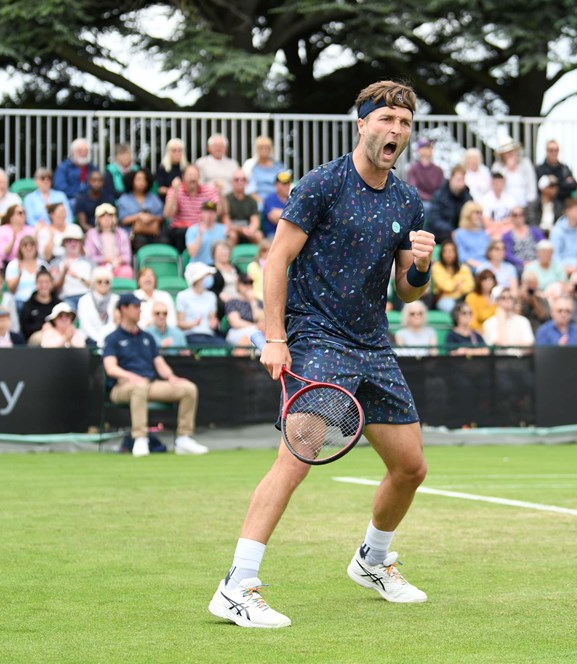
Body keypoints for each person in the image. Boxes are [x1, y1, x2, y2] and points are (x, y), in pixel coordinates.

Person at [209, 81, 434, 630]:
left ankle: (373, 561)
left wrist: (422, 267)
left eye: (403, 124)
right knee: (298, 455)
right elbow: (275, 261)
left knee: (410, 468)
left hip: (373, 342)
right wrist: (274, 335)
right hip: (316, 338)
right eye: (385, 120)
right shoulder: (322, 184)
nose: (395, 131)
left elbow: (407, 291)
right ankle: (237, 585)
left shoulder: (407, 200)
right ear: (361, 124)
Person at [104, 292, 206, 457]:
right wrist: (130, 377)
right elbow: (111, 368)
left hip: (149, 384)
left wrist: (171, 377)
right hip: (121, 387)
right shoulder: (112, 339)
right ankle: (140, 438)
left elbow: (159, 364)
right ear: (123, 309)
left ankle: (183, 439)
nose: (139, 310)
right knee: (139, 387)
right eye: (135, 307)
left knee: (188, 388)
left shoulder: (147, 338)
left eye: (140, 307)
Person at [164, 164, 220, 252]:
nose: (193, 178)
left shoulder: (208, 191)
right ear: (183, 177)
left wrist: (220, 193)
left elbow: (219, 211)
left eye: (195, 175)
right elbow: (168, 214)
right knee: (183, 233)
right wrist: (175, 192)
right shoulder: (174, 190)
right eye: (190, 175)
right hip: (180, 230)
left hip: (202, 228)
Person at [175, 262, 226, 347]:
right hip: (190, 335)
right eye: (205, 276)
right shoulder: (182, 296)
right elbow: (180, 323)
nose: (209, 278)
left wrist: (214, 323)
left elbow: (212, 318)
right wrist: (194, 324)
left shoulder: (211, 296)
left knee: (224, 345)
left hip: (209, 335)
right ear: (197, 279)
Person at [117, 169, 165, 252]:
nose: (142, 182)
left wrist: (151, 218)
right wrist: (138, 216)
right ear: (132, 181)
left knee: (163, 241)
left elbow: (161, 217)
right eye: (138, 179)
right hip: (133, 234)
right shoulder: (124, 199)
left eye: (144, 179)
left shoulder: (153, 198)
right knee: (140, 241)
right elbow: (122, 219)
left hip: (153, 232)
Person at [85, 203, 132, 278]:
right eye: (103, 216)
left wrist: (119, 260)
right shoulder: (91, 234)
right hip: (100, 266)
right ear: (98, 219)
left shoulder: (122, 233)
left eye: (109, 216)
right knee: (100, 274)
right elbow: (90, 256)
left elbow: (127, 256)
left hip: (119, 265)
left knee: (127, 272)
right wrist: (105, 259)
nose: (106, 219)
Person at [51, 224, 92, 309]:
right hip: (66, 298)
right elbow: (54, 287)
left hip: (87, 297)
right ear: (64, 243)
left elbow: (95, 285)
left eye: (76, 241)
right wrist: (63, 273)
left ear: (81, 243)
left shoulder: (90, 262)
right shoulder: (56, 263)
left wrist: (78, 277)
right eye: (69, 241)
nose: (73, 244)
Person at [428, 166, 473, 242]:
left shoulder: (467, 196)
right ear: (451, 178)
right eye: (458, 180)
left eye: (463, 179)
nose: (461, 183)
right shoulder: (439, 196)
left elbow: (471, 216)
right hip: (442, 235)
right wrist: (451, 231)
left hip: (462, 235)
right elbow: (435, 220)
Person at [430, 238, 474, 313]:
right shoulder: (436, 267)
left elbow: (470, 285)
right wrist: (456, 285)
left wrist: (456, 288)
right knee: (454, 308)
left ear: (456, 253)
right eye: (445, 251)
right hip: (443, 299)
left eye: (451, 251)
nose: (448, 254)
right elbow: (444, 285)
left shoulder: (463, 268)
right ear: (441, 253)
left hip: (461, 298)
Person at [490, 136, 536, 207]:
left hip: (525, 204)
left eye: (512, 151)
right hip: (504, 205)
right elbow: (497, 186)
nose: (510, 154)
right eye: (507, 152)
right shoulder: (497, 167)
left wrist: (530, 203)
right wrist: (507, 169)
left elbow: (531, 184)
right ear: (502, 155)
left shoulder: (525, 163)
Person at [19, 269, 60, 342]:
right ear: (36, 284)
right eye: (41, 282)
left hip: (57, 336)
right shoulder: (28, 305)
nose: (44, 285)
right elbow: (25, 329)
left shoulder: (59, 304)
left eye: (47, 282)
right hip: (36, 339)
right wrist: (42, 328)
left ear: (52, 284)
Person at [53, 138, 98, 205]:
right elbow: (60, 187)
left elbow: (99, 185)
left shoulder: (93, 168)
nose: (83, 153)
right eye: (80, 151)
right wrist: (78, 195)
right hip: (70, 199)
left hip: (90, 200)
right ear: (73, 152)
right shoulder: (63, 167)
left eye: (86, 151)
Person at [223, 169, 263, 245]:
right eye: (237, 179)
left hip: (247, 230)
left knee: (258, 235)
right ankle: (227, 257)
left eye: (243, 179)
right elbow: (226, 222)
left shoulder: (251, 200)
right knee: (232, 235)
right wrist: (241, 230)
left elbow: (255, 221)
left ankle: (260, 257)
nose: (240, 182)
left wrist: (251, 229)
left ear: (246, 182)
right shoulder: (226, 199)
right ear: (232, 182)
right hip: (233, 230)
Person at [406, 138, 443, 217]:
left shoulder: (438, 170)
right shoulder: (413, 169)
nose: (430, 149)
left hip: (436, 201)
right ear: (419, 150)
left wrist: (436, 199)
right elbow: (414, 190)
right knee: (426, 207)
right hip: (422, 202)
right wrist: (430, 198)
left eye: (430, 147)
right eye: (426, 147)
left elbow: (441, 189)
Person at [223, 273, 264, 346]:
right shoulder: (232, 302)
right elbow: (235, 322)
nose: (248, 286)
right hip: (237, 331)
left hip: (256, 331)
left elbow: (260, 320)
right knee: (251, 336)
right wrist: (255, 326)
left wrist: (252, 302)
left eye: (250, 283)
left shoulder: (258, 302)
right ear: (238, 285)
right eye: (245, 283)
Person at [243, 136, 286, 203]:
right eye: (261, 148)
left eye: (266, 148)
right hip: (257, 201)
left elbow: (284, 186)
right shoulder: (252, 167)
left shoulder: (278, 167)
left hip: (276, 200)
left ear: (270, 149)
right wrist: (262, 202)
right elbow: (250, 189)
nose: (264, 150)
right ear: (257, 150)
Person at [186, 200, 229, 266]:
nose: (209, 214)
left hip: (217, 266)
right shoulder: (192, 230)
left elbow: (227, 252)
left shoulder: (223, 229)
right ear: (201, 213)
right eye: (206, 211)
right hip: (198, 266)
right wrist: (200, 235)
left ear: (216, 214)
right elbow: (192, 253)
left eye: (212, 212)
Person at [550, 198, 577, 270]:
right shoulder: (557, 231)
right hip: (561, 268)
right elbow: (555, 256)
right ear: (568, 211)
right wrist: (563, 268)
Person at [0, 204, 35, 269]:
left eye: (24, 212)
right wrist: (13, 241)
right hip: (6, 264)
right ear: (11, 216)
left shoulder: (30, 230)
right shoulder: (2, 230)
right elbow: (2, 254)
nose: (23, 215)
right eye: (20, 213)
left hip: (26, 264)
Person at [133, 266, 175, 331]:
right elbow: (131, 321)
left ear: (155, 281)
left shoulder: (165, 296)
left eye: (151, 275)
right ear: (138, 281)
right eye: (144, 275)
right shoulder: (134, 296)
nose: (148, 277)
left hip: (164, 332)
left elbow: (173, 320)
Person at [504, 204, 544, 271]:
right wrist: (523, 263)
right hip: (519, 266)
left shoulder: (535, 231)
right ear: (511, 217)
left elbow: (543, 246)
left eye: (521, 214)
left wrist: (538, 261)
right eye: (515, 215)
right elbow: (508, 255)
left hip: (537, 262)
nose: (518, 217)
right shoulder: (507, 236)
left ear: (524, 216)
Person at [453, 202, 491, 268]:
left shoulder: (484, 234)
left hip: (487, 266)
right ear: (468, 215)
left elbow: (490, 254)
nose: (479, 216)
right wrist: (481, 266)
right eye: (476, 213)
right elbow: (462, 256)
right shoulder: (458, 234)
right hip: (469, 268)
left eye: (481, 213)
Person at [261, 171, 294, 239]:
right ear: (276, 185)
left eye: (288, 183)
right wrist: (293, 214)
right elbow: (273, 217)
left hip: (288, 235)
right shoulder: (269, 199)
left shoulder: (292, 199)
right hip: (273, 235)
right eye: (284, 184)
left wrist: (281, 214)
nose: (287, 186)